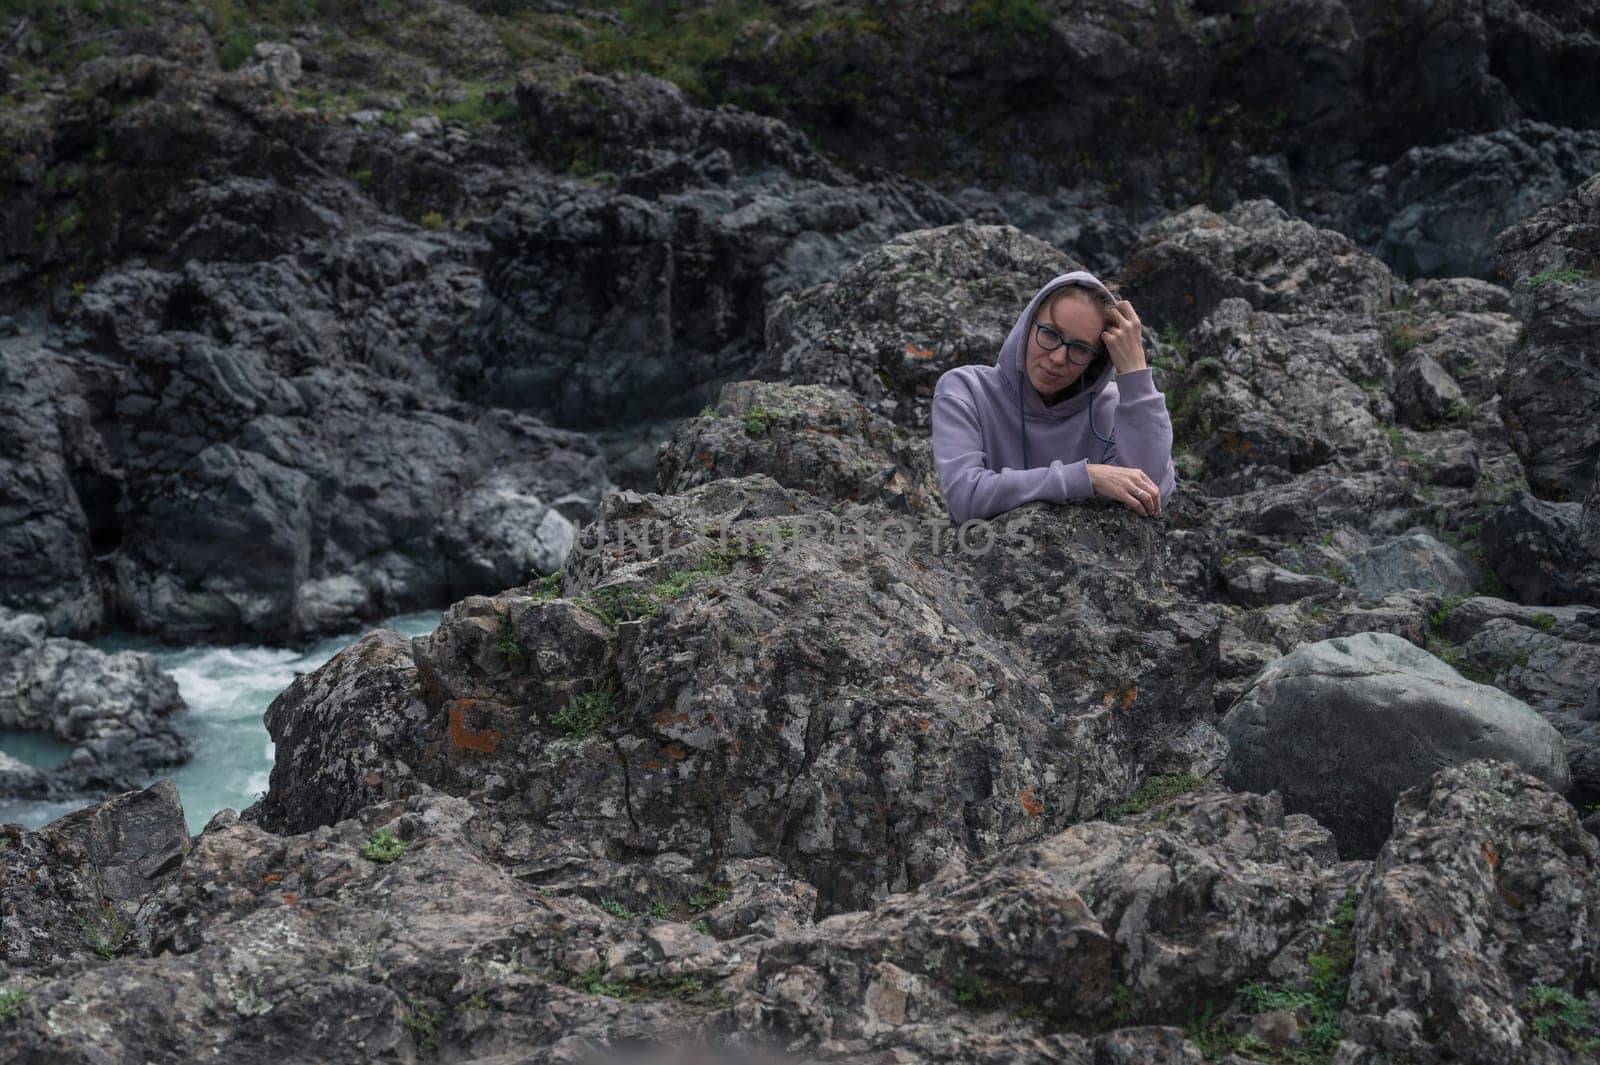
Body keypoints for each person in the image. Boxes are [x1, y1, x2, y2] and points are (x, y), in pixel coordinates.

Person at [931, 270, 1176, 525]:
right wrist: (1086, 478)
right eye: (1049, 333)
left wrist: (1135, 374)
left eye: (1080, 349)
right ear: (1028, 324)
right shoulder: (966, 390)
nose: (1058, 358)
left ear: (1095, 360)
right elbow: (965, 499)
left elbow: (1149, 492)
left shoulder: (1113, 408)